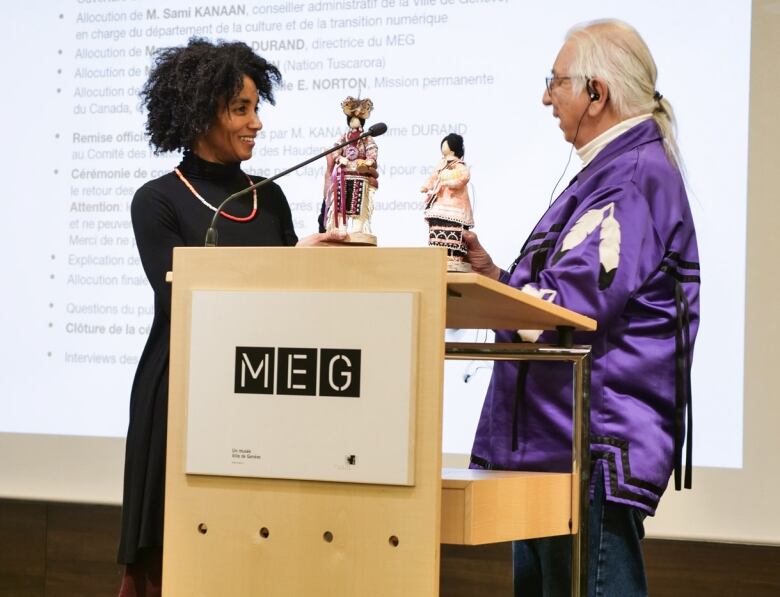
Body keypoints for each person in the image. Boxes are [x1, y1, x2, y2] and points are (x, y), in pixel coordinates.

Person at [464, 20, 700, 596]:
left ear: (597, 92)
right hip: (557, 448)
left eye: (556, 81)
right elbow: (566, 289)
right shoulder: (614, 172)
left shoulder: (632, 178)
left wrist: (501, 296)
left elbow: (569, 305)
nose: (546, 97)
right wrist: (493, 279)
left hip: (588, 450)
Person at [117, 38, 341, 597]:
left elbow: (295, 307)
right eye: (241, 108)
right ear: (201, 113)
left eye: (255, 107)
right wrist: (287, 263)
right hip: (183, 398)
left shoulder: (270, 197)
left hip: (265, 394)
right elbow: (185, 301)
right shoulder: (158, 201)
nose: (256, 123)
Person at [322, 96, 378, 239]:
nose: (354, 122)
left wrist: (369, 161)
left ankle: (358, 229)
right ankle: (341, 226)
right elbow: (336, 148)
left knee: (359, 202)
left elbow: (372, 150)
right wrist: (339, 158)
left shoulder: (366, 137)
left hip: (360, 173)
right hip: (344, 173)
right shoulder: (344, 137)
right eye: (352, 119)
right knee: (342, 202)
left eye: (357, 119)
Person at [422, 133, 473, 271]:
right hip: (440, 200)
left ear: (453, 147)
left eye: (446, 143)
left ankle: (455, 256)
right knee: (437, 222)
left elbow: (464, 177)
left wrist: (451, 183)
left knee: (454, 228)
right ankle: (440, 255)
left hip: (455, 202)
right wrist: (427, 186)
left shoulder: (460, 165)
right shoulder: (441, 164)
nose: (443, 146)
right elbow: (433, 177)